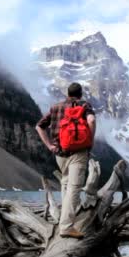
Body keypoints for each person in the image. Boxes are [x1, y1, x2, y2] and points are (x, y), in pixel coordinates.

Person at [36, 83, 96, 239]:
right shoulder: (84, 105)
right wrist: (90, 141)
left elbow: (39, 126)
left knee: (65, 183)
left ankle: (65, 218)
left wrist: (49, 145)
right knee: (74, 188)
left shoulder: (56, 107)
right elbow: (91, 121)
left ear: (67, 94)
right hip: (78, 153)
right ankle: (66, 226)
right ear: (80, 94)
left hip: (60, 153)